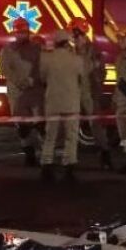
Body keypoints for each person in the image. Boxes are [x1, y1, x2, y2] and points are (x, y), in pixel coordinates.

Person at [39, 29, 85, 183]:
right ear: (67, 43)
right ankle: (68, 167)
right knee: (71, 137)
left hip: (52, 102)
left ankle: (46, 165)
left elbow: (43, 77)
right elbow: (82, 76)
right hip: (71, 103)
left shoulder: (46, 59)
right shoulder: (76, 59)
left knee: (50, 136)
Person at [0, 18, 43, 166]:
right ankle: (29, 155)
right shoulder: (7, 50)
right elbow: (6, 69)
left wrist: (32, 79)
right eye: (19, 32)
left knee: (40, 124)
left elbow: (41, 67)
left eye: (24, 32)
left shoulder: (37, 49)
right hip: (17, 94)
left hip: (35, 92)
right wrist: (20, 82)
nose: (22, 35)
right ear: (15, 32)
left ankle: (46, 156)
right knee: (23, 127)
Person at [70, 19, 112, 170]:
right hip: (73, 93)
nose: (75, 39)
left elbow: (102, 72)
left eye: (76, 36)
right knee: (71, 125)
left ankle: (105, 155)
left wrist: (97, 87)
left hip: (89, 93)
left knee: (96, 125)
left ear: (82, 34)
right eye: (73, 36)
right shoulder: (70, 51)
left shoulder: (93, 52)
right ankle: (70, 160)